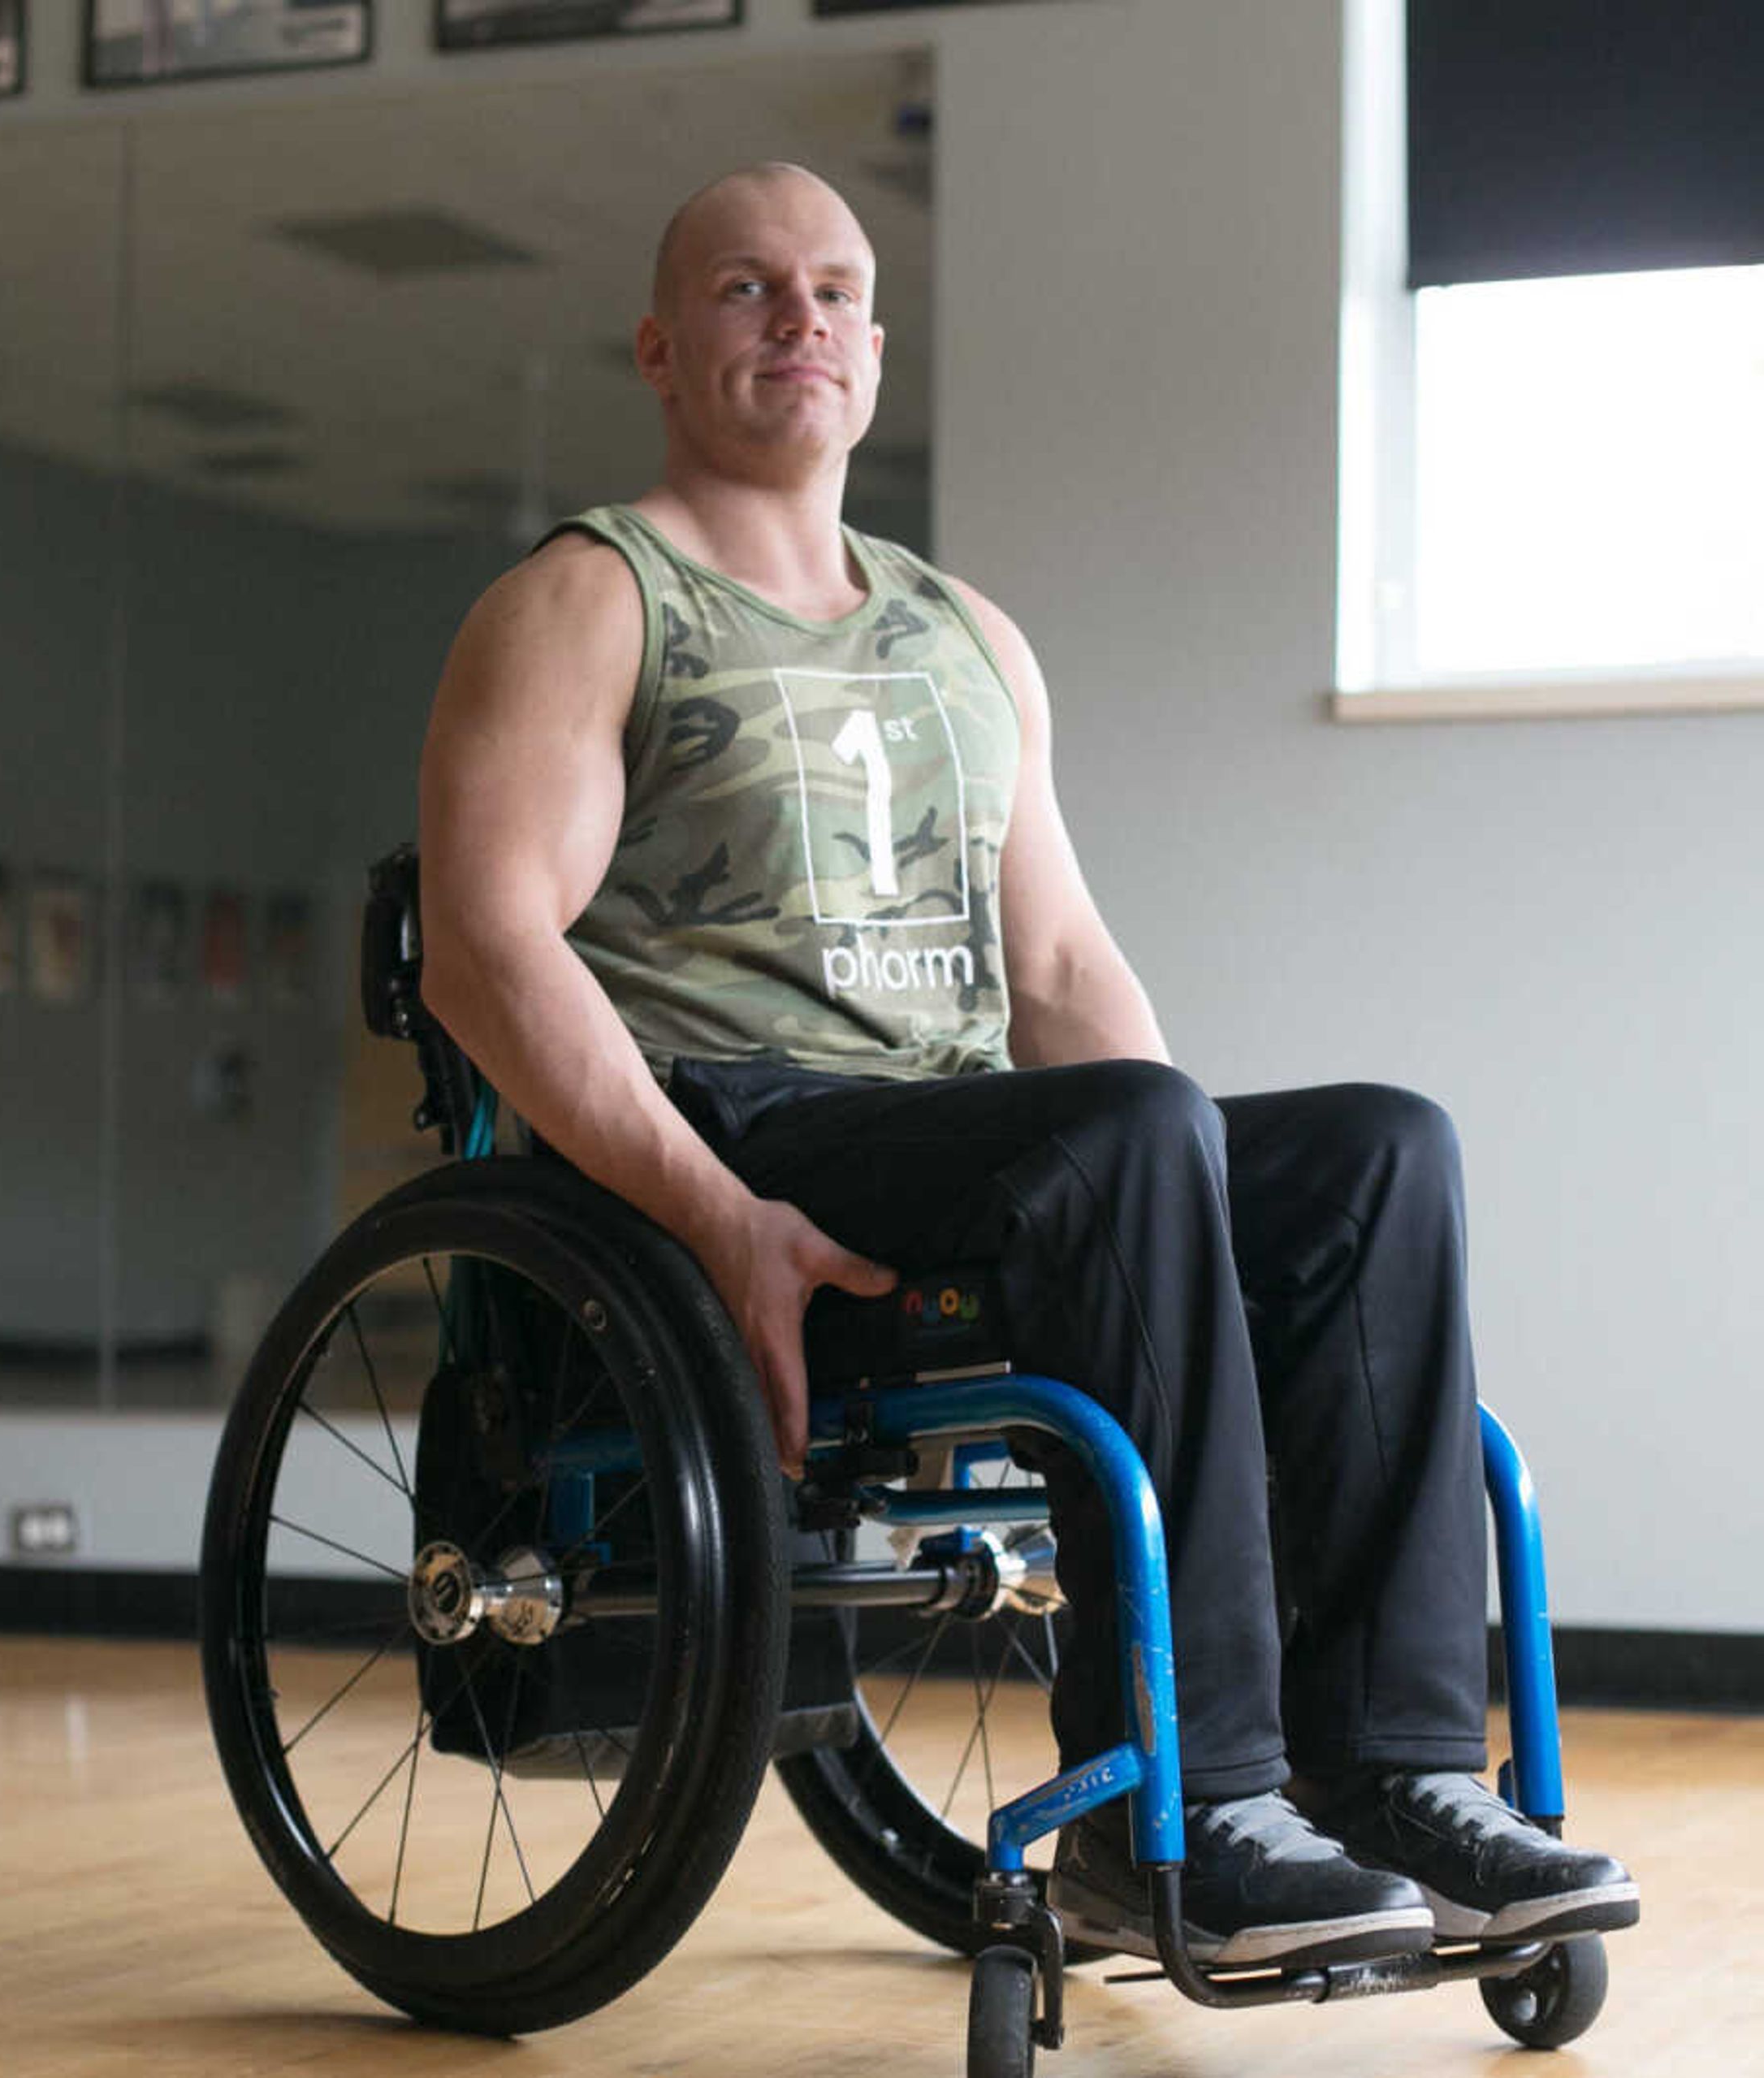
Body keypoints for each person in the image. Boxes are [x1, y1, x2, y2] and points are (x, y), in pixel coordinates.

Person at [413, 162, 1636, 1971]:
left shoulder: (969, 636)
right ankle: (1190, 1813)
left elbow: (1058, 965)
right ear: (665, 350)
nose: (800, 317)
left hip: (965, 1136)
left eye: (833, 289)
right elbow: (487, 951)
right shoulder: (599, 599)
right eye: (750, 290)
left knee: (1381, 1147)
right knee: (1138, 1134)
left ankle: (1389, 1774)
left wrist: (1204, 1214)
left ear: (879, 352)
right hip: (744, 1129)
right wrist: (722, 1214)